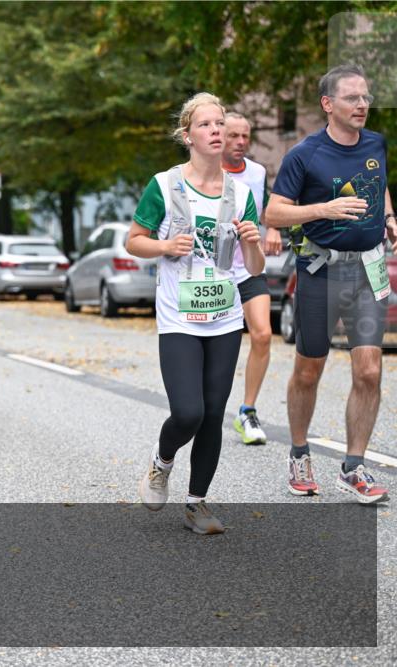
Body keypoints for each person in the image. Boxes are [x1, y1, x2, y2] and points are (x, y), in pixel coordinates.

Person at [128, 93, 264, 534]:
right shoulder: (164, 186)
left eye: (220, 124)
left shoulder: (240, 193)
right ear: (187, 136)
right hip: (179, 318)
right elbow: (134, 241)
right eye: (206, 125)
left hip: (224, 316)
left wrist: (253, 241)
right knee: (188, 411)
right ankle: (161, 460)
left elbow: (255, 268)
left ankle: (197, 503)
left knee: (213, 411)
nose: (217, 131)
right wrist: (165, 246)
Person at [266, 64, 395, 504]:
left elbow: (380, 186)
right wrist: (324, 209)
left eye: (365, 97)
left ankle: (354, 468)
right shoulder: (304, 154)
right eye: (352, 98)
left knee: (370, 370)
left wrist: (390, 218)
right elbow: (275, 213)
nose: (363, 105)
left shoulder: (376, 143)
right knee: (309, 368)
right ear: (328, 104)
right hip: (321, 271)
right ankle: (299, 453)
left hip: (367, 271)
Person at [221, 112, 279, 445]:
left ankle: (247, 410)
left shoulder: (257, 172)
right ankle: (204, 406)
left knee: (262, 334)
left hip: (249, 267)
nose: (241, 142)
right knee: (215, 343)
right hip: (213, 272)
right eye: (234, 136)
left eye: (246, 136)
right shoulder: (204, 172)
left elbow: (269, 206)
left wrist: (271, 228)